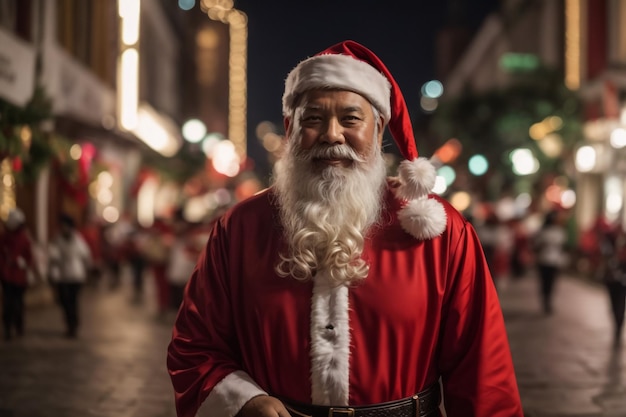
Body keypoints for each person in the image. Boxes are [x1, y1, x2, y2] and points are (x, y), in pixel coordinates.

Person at [167, 40, 523, 417]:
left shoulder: (442, 233)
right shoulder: (239, 229)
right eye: (313, 119)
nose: (331, 135)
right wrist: (243, 401)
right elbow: (196, 346)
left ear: (378, 127)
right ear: (291, 128)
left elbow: (483, 373)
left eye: (350, 119)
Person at [49, 214, 92, 338]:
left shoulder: (77, 239)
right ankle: (69, 323)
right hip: (63, 276)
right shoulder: (57, 240)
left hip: (76, 276)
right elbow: (53, 257)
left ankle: (73, 325)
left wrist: (88, 270)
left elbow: (86, 255)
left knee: (73, 302)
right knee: (64, 302)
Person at [0, 208, 34, 341]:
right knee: (8, 304)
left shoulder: (24, 238)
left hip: (19, 276)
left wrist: (23, 263)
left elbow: (28, 256)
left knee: (18, 303)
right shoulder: (4, 237)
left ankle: (19, 325)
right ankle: (8, 327)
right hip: (7, 275)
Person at [532, 209, 569, 315]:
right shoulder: (543, 232)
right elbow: (536, 245)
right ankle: (545, 300)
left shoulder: (560, 232)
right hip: (544, 260)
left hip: (555, 261)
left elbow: (563, 247)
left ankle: (549, 300)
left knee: (552, 282)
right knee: (544, 281)